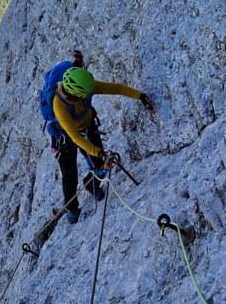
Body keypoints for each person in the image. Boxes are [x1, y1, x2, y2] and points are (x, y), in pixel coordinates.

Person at [52, 65, 153, 223]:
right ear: (76, 93)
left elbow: (116, 88)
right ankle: (72, 210)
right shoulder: (59, 107)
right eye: (85, 94)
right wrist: (98, 151)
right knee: (69, 175)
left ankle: (91, 185)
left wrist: (140, 96)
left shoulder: (85, 87)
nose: (88, 95)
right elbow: (76, 138)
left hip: (87, 127)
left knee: (100, 165)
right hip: (64, 139)